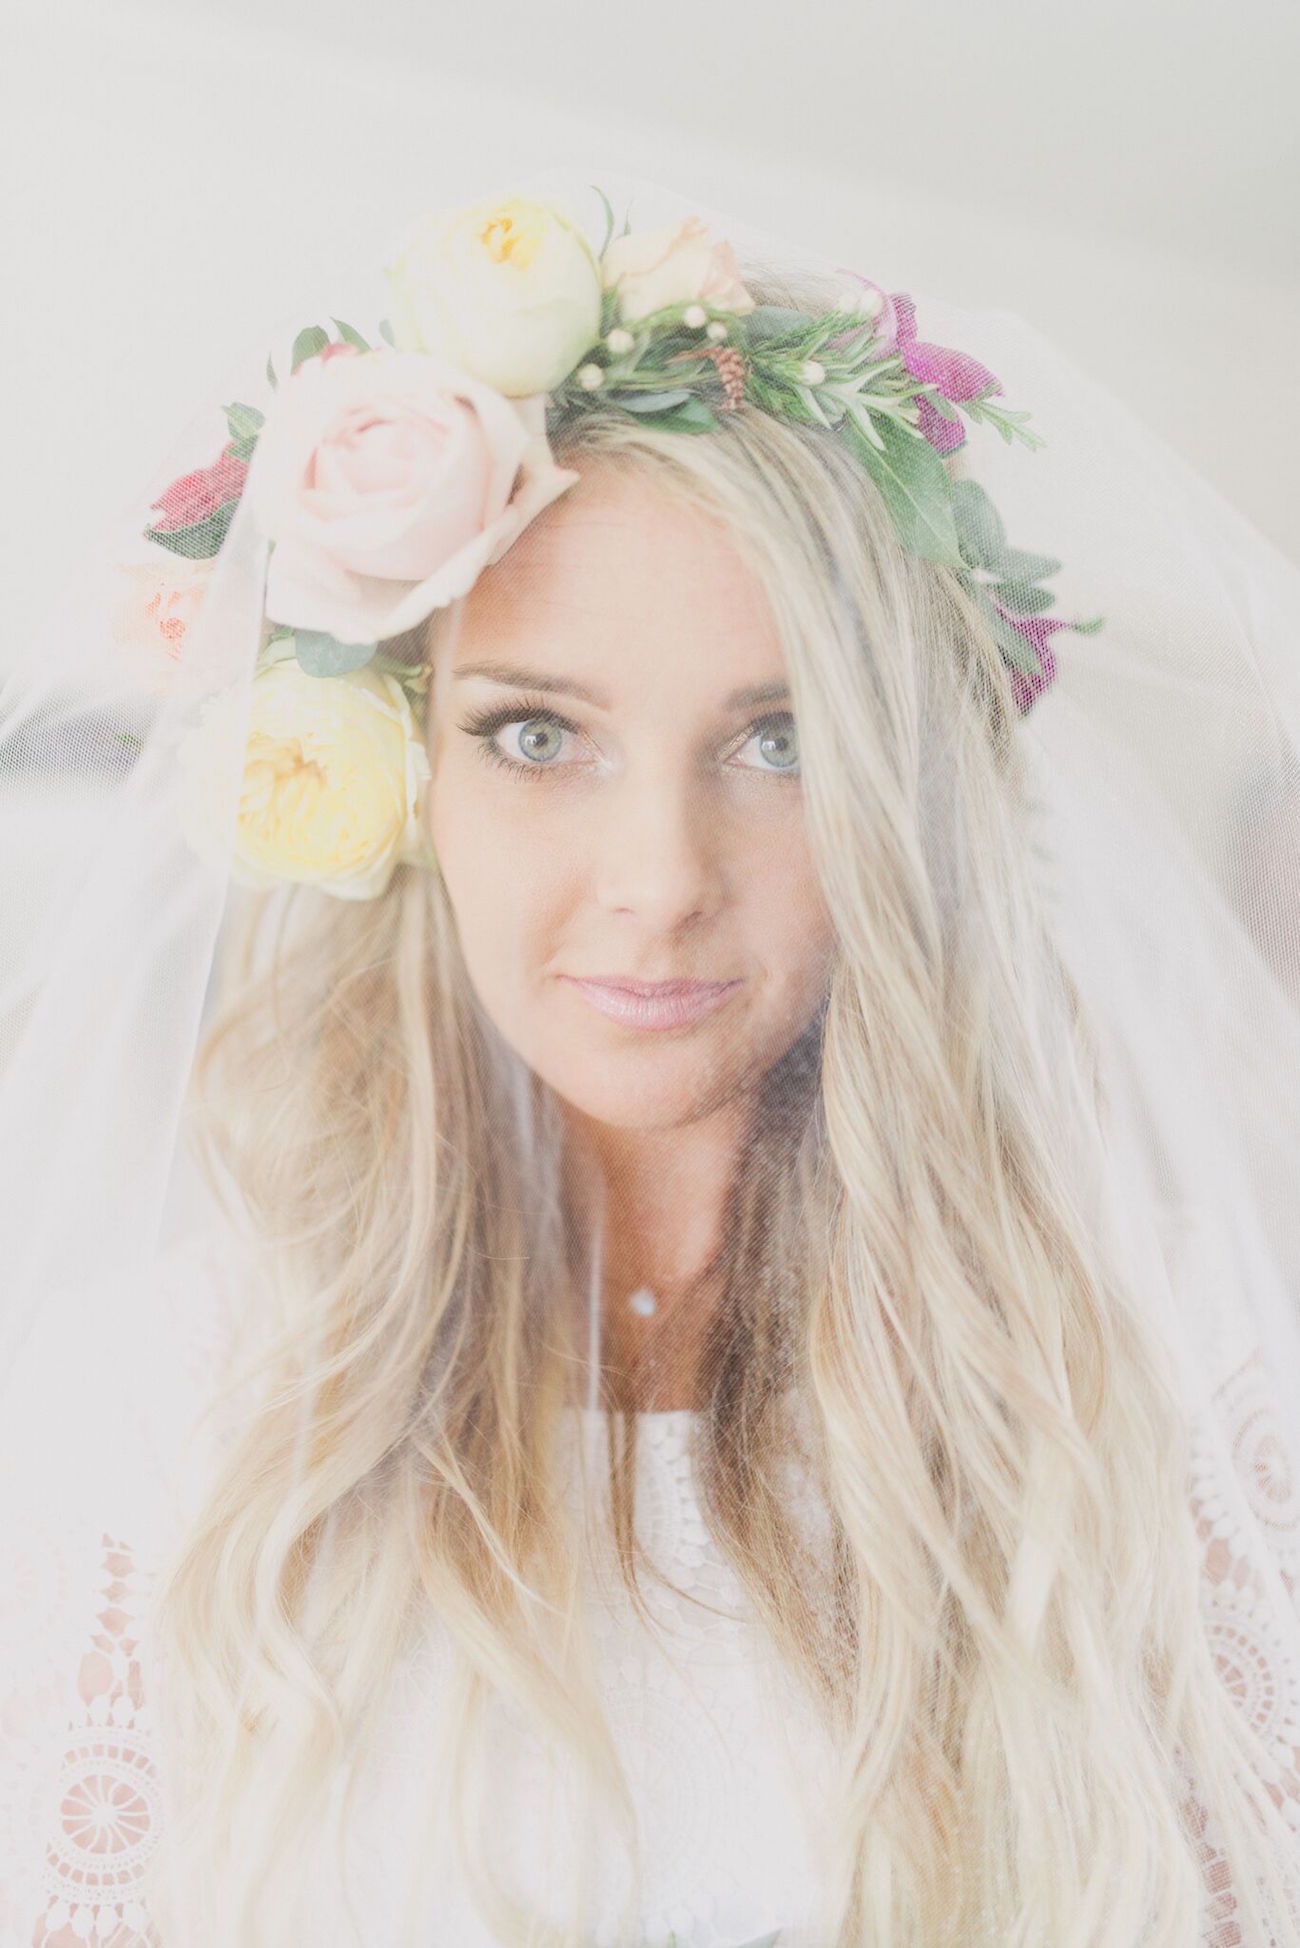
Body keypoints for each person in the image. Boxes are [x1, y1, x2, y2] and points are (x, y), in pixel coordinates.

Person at [0, 169, 1297, 1948]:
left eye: (777, 743)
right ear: (401, 779)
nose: (664, 884)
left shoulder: (1158, 1403)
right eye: (539, 734)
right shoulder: (158, 1421)